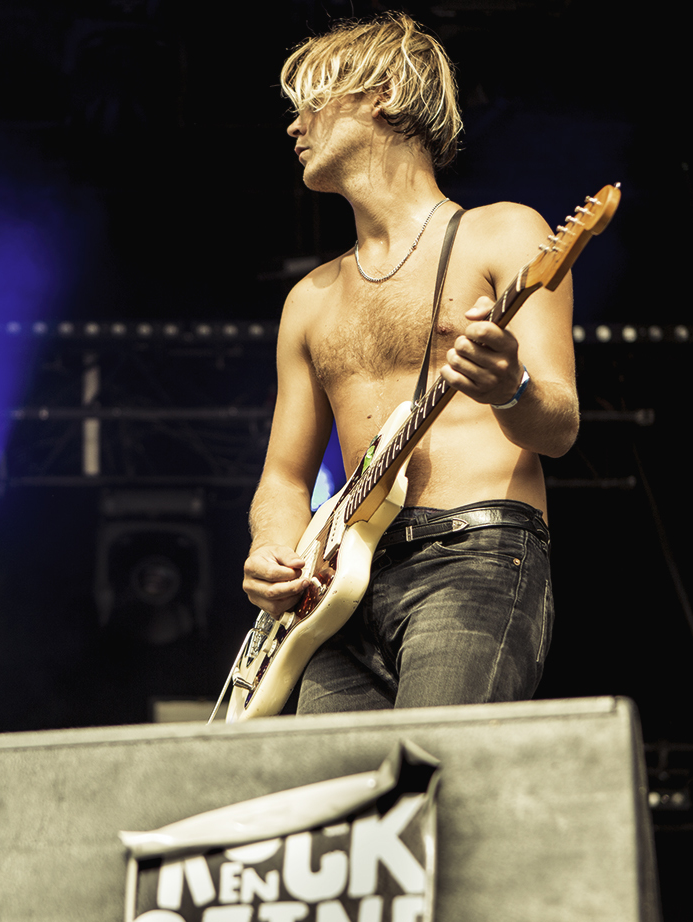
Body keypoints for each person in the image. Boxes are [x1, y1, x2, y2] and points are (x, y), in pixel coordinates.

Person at [240, 13, 579, 714]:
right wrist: (274, 551)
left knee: (434, 783)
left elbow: (558, 429)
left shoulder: (505, 231)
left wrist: (509, 386)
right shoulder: (308, 300)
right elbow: (283, 476)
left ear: (384, 92)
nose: (293, 126)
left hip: (475, 557)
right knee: (324, 809)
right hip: (335, 593)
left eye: (312, 101)